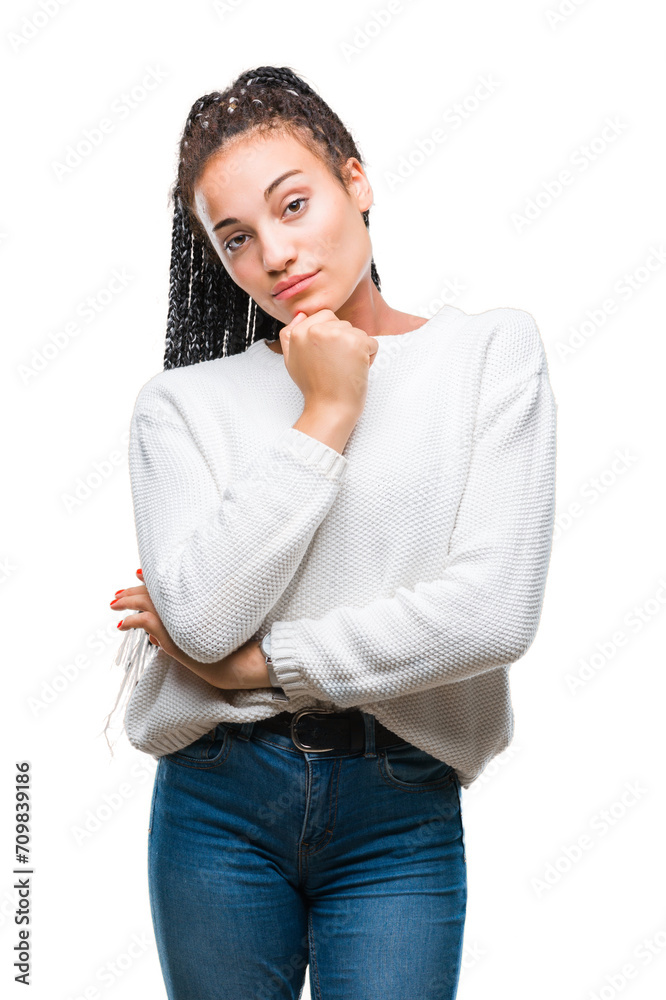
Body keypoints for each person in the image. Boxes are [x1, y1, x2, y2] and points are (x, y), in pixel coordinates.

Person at [103, 65, 557, 1000]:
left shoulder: (486, 355)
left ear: (357, 182)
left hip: (399, 799)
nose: (274, 252)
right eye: (237, 238)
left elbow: (494, 610)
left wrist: (265, 664)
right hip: (216, 801)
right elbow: (195, 619)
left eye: (295, 204)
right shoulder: (180, 405)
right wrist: (329, 410)